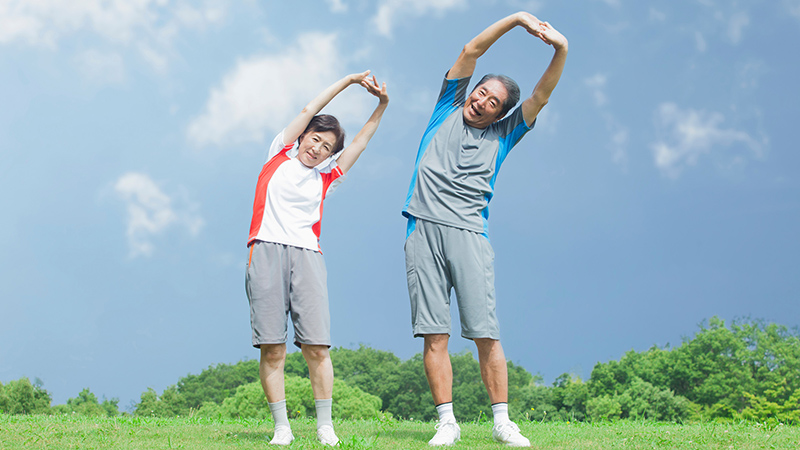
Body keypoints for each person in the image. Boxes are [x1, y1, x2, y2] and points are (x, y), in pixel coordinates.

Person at [401, 11, 568, 447]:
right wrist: (515, 20)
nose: (482, 102)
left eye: (493, 102)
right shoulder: (447, 108)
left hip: (470, 236)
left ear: (501, 112)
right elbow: (470, 50)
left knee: (486, 333)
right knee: (434, 333)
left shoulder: (506, 134)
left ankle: (502, 421)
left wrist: (561, 48)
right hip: (423, 230)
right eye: (481, 93)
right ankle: (447, 422)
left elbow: (541, 95)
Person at [245, 71, 389, 446]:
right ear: (304, 136)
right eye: (316, 139)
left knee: (317, 347)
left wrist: (381, 105)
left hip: (308, 257)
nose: (318, 149)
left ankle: (325, 425)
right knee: (272, 347)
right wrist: (350, 80)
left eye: (327, 147)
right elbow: (312, 106)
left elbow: (359, 143)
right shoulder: (278, 153)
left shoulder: (326, 178)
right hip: (266, 251)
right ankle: (282, 428)